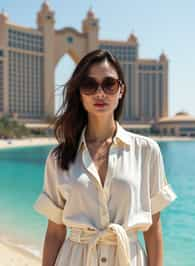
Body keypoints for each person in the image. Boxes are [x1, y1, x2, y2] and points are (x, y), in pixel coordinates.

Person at [34, 49, 177, 266]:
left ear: (121, 90)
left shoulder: (147, 151)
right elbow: (54, 232)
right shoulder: (59, 158)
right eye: (90, 85)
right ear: (79, 93)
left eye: (109, 84)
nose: (100, 93)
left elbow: (153, 229)